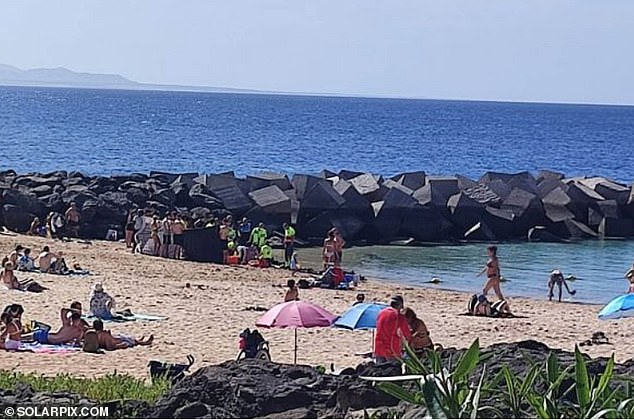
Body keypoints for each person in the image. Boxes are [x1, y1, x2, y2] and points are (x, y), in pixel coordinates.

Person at [374, 295, 411, 363]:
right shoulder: (399, 316)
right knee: (393, 370)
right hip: (392, 349)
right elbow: (407, 334)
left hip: (379, 347)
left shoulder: (381, 313)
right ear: (400, 306)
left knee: (379, 370)